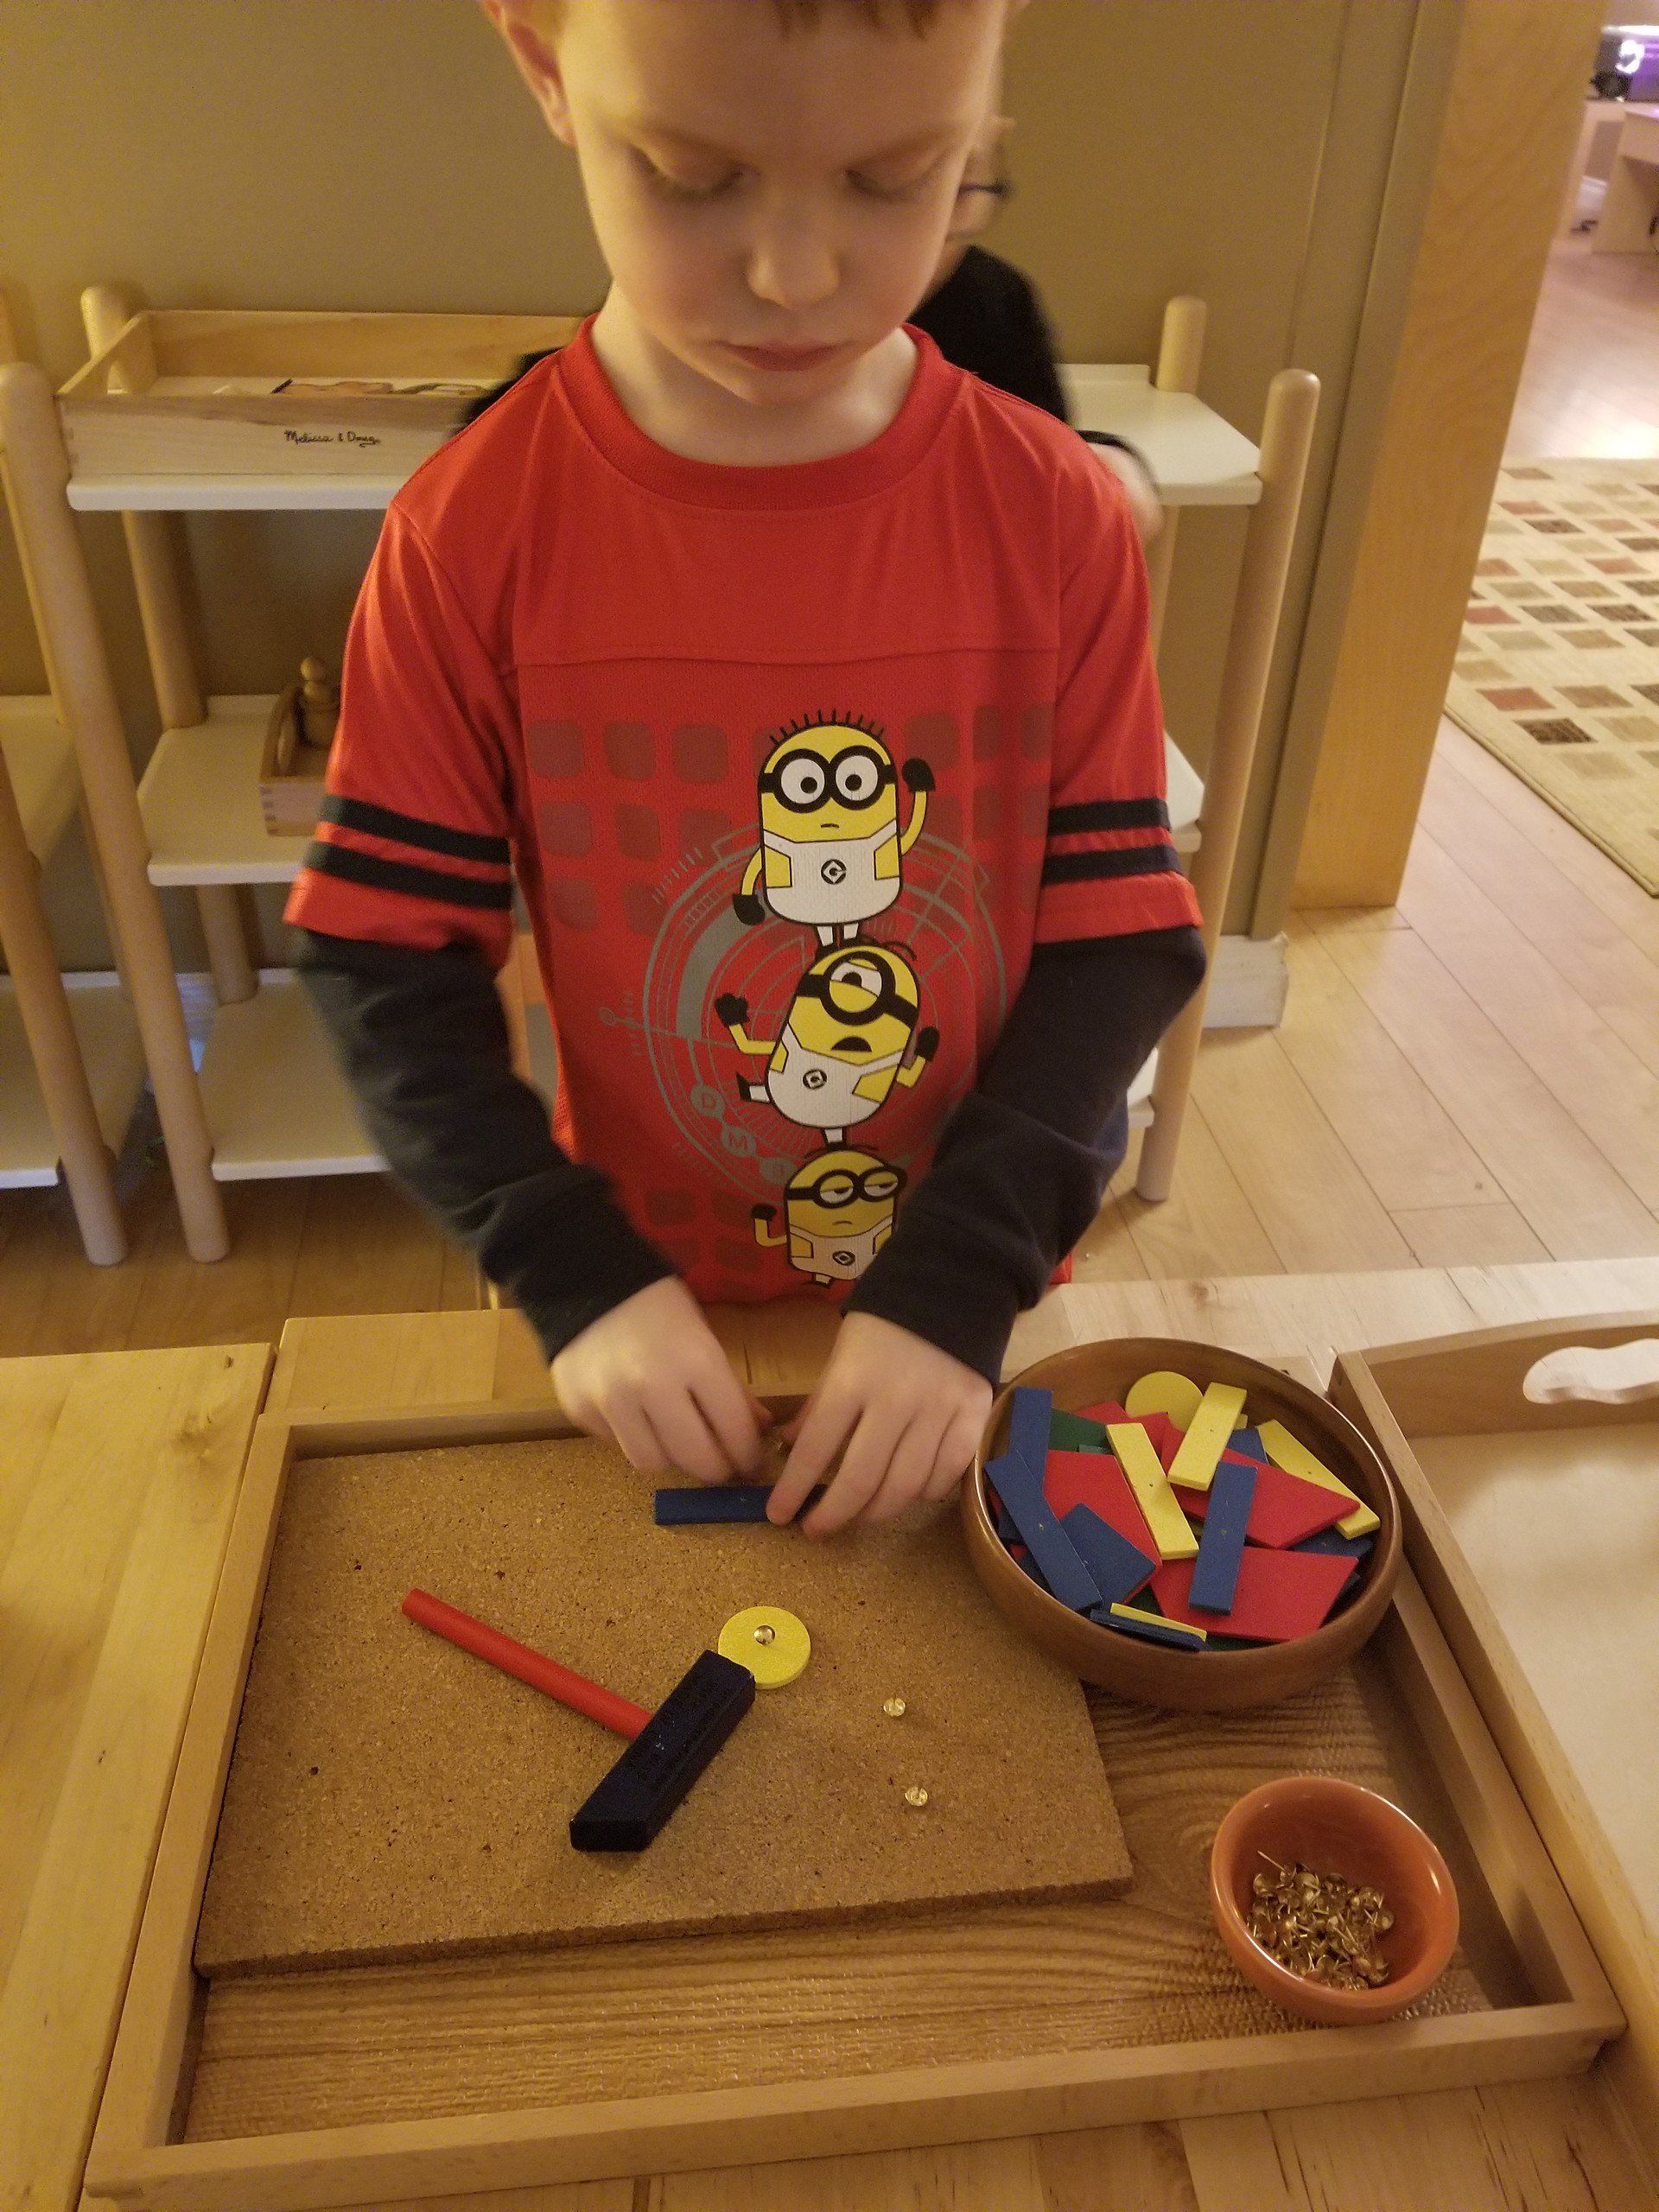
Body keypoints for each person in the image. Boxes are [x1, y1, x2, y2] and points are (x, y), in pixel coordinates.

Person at [288, 0, 1205, 1538]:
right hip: (646, 1302)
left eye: (894, 177)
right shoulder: (471, 531)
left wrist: (961, 1283)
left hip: (959, 1298)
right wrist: (570, 1272)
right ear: (542, 68)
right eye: (693, 178)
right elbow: (383, 962)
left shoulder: (1053, 514)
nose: (795, 276)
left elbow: (1117, 935)